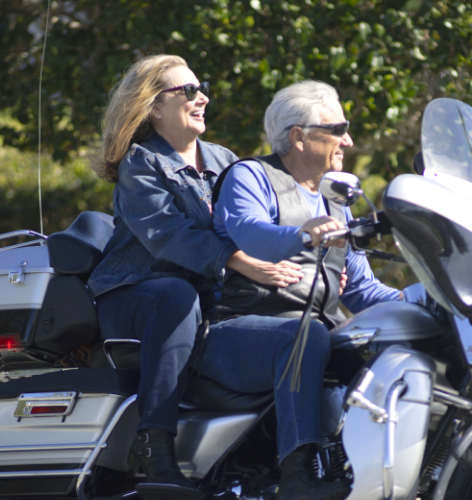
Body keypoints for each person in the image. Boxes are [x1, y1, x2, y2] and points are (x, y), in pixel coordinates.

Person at [87, 55, 303, 498]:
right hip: (133, 294)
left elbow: (257, 222)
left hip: (201, 297)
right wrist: (239, 261)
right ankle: (155, 444)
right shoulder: (140, 163)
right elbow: (169, 237)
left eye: (201, 87)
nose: (201, 96)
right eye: (186, 91)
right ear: (153, 107)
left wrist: (311, 265)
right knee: (175, 294)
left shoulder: (225, 160)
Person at [203, 80, 401, 500]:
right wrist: (301, 234)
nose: (348, 139)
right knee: (305, 333)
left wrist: (422, 303)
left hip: (312, 332)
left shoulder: (335, 199)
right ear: (299, 136)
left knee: (398, 341)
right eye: (337, 128)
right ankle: (297, 474)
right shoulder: (250, 177)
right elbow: (250, 233)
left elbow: (362, 289)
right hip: (236, 334)